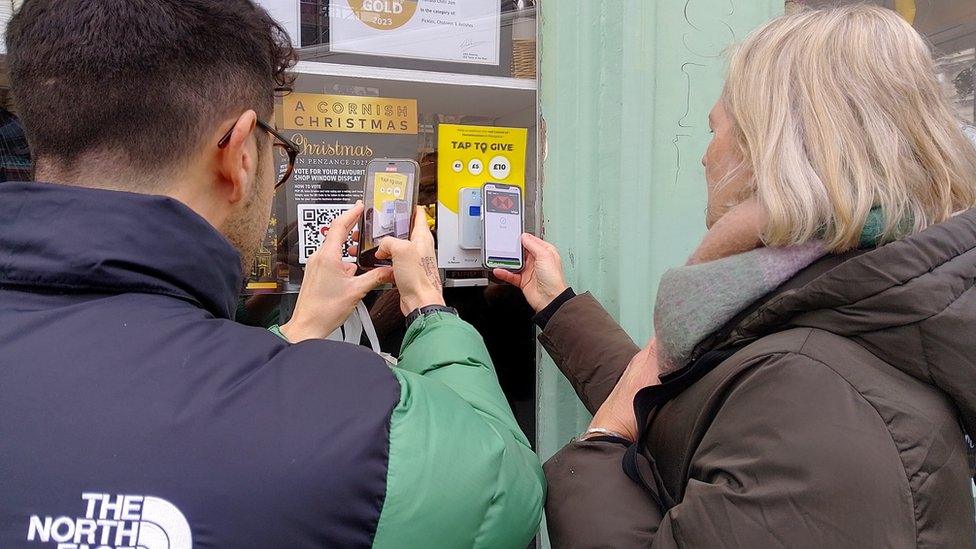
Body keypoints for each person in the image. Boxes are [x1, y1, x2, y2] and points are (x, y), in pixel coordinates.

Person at [0, 1, 544, 548]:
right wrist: (429, 305)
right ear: (238, 155)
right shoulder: (361, 430)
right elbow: (501, 486)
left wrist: (296, 331)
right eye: (277, 152)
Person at [497, 5, 976, 547]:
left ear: (766, 149)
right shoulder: (840, 299)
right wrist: (557, 304)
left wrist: (601, 447)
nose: (704, 156)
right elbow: (686, 411)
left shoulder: (813, 396)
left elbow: (726, 411)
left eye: (714, 129)